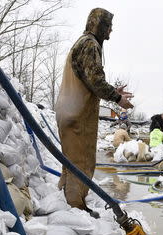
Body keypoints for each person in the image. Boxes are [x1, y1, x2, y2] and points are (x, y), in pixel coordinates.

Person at [55, 8, 134, 212]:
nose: (111, 31)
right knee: (80, 164)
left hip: (69, 112)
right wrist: (118, 98)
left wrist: (113, 91)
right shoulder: (90, 45)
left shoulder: (83, 43)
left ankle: (68, 203)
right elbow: (96, 81)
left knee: (71, 162)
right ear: (99, 26)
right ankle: (75, 208)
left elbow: (89, 80)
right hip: (77, 115)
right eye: (108, 26)